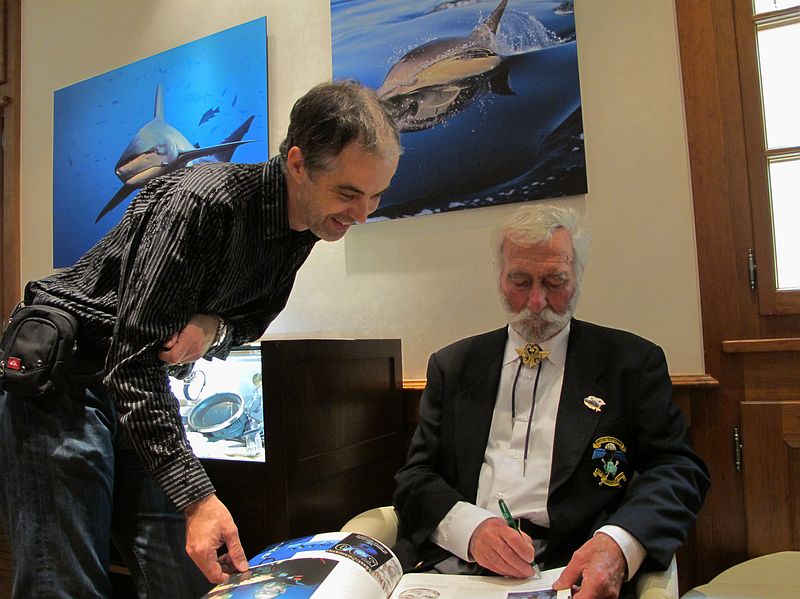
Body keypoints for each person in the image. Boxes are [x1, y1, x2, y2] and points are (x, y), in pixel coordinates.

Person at [0, 79, 400, 599]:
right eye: (348, 193)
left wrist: (212, 328)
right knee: (65, 584)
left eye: (375, 197)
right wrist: (197, 498)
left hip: (140, 393)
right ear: (298, 163)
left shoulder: (305, 226)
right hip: (66, 383)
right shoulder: (203, 202)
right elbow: (130, 362)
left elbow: (252, 321)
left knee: (182, 579)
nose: (362, 214)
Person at [391, 204, 709, 599]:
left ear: (578, 276)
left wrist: (618, 544)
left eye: (555, 281)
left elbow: (677, 469)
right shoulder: (453, 366)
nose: (537, 302)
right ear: (498, 276)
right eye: (520, 281)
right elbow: (415, 478)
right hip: (454, 568)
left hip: (571, 570)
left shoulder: (630, 364)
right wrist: (470, 529)